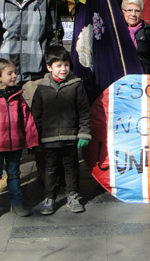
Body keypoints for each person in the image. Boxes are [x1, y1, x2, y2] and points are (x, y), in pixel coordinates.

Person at [0, 58, 39, 222]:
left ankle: (16, 202)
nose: (14, 76)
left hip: (15, 144)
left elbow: (27, 119)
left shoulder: (18, 96)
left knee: (14, 174)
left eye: (15, 73)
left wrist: (31, 140)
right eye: (9, 73)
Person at [32, 46, 91, 215]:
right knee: (50, 168)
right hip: (49, 137)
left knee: (71, 167)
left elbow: (84, 111)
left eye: (66, 65)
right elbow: (36, 115)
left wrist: (84, 132)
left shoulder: (76, 85)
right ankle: (49, 197)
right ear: (49, 67)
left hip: (70, 136)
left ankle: (72, 195)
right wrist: (35, 138)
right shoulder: (42, 88)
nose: (63, 69)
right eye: (58, 65)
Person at [121, 0, 150, 74]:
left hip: (144, 78)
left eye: (137, 11)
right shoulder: (117, 33)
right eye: (129, 10)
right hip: (122, 78)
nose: (133, 14)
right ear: (123, 11)